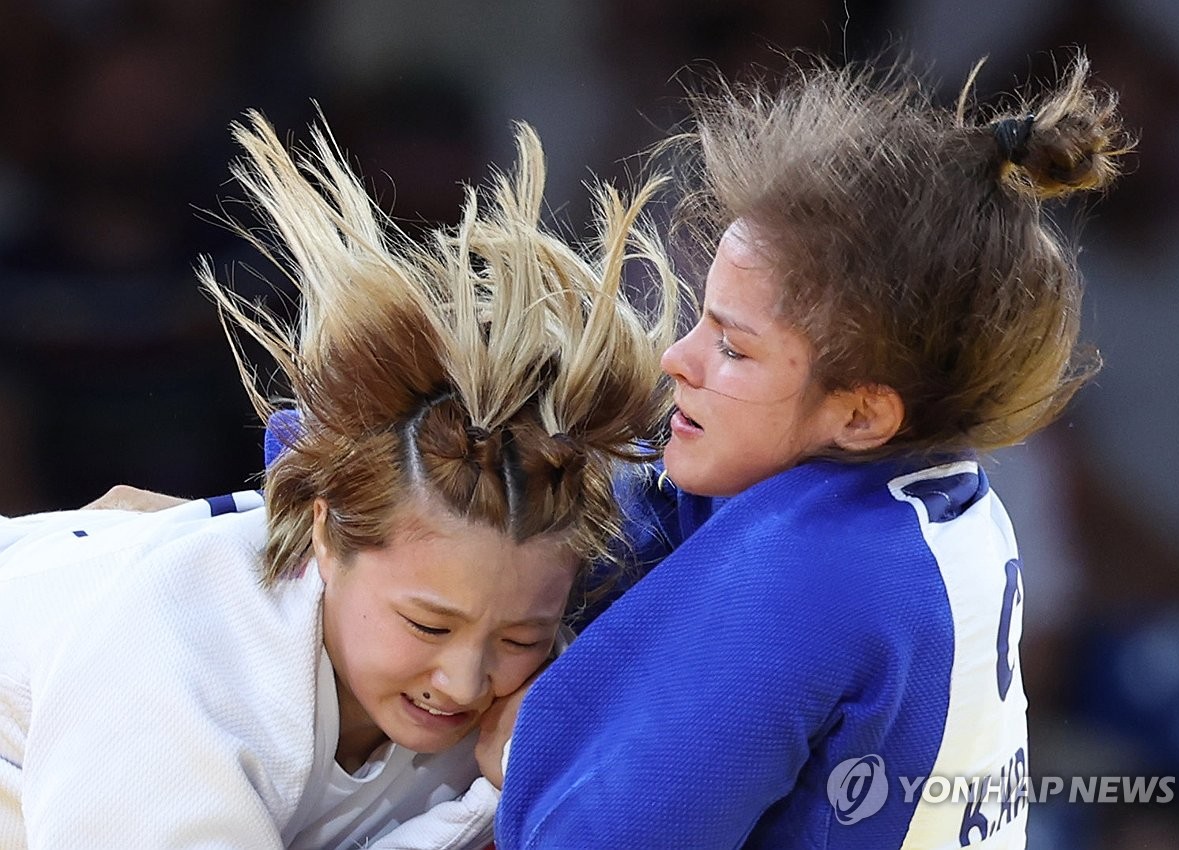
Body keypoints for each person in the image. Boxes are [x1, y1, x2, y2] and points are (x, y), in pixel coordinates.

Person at [493, 53, 1130, 848]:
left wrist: (514, 749)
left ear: (862, 414)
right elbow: (656, 509)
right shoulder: (941, 497)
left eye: (733, 348)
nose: (675, 360)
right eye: (701, 320)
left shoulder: (812, 571)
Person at [0, 111, 680, 849]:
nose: (462, 681)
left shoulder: (530, 704)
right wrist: (483, 804)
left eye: (522, 636)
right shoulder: (180, 651)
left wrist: (515, 770)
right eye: (429, 623)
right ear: (326, 535)